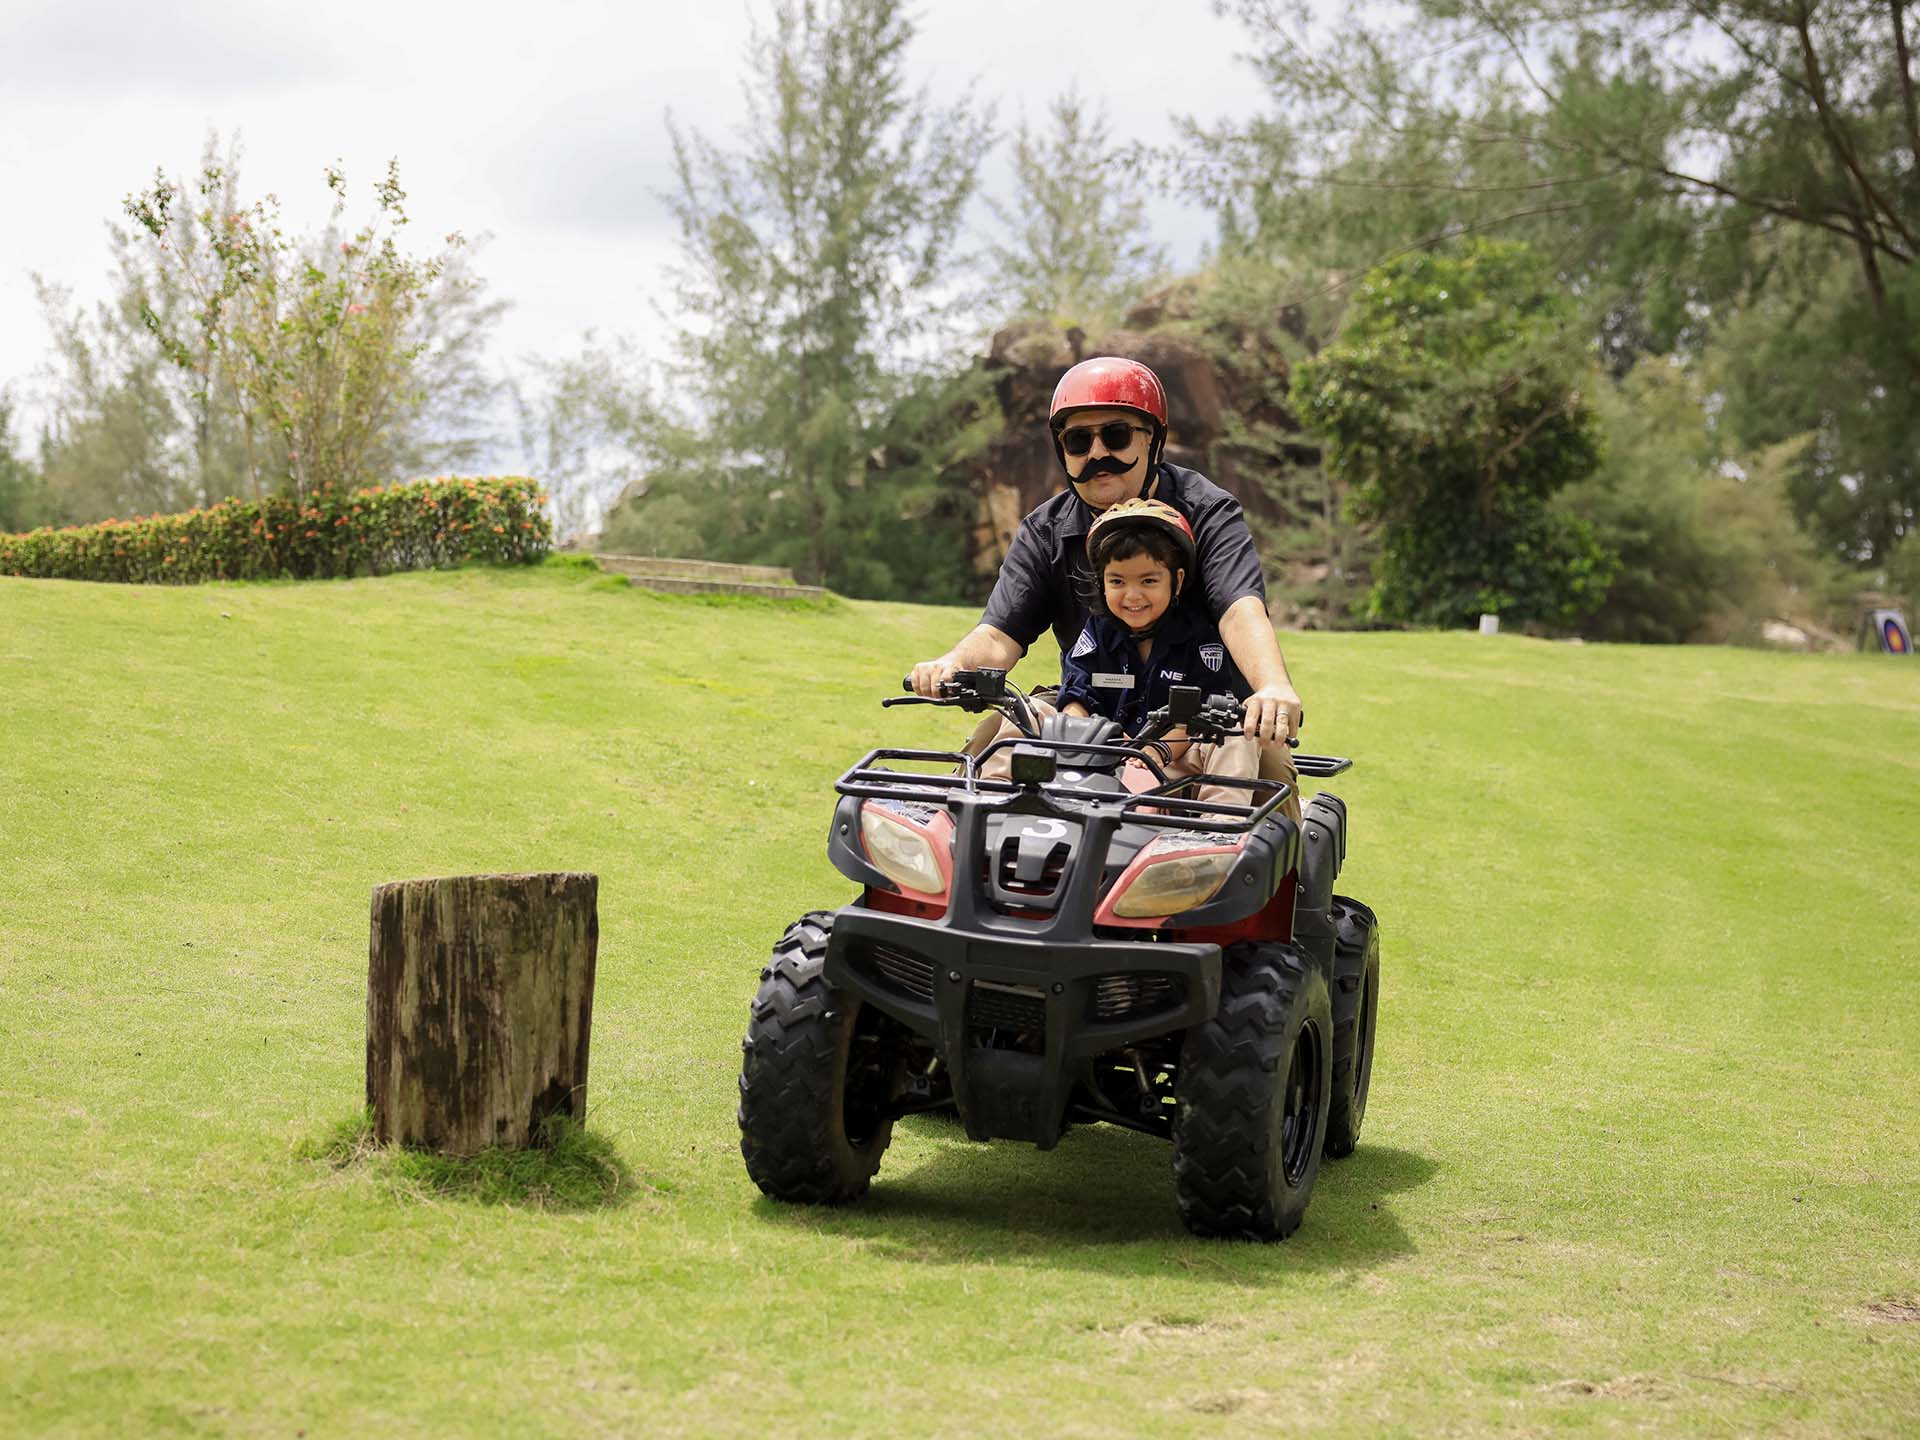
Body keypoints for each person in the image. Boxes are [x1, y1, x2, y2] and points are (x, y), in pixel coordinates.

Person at [910, 355, 1304, 819]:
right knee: (982, 752)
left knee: (1269, 770)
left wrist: (1273, 686)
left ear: (1152, 440)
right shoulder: (1046, 530)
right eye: (1078, 440)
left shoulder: (1208, 511)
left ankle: (1290, 892)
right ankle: (965, 882)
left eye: (1115, 435)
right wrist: (952, 663)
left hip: (1203, 720)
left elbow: (1240, 608)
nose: (1097, 454)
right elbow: (999, 635)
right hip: (1092, 704)